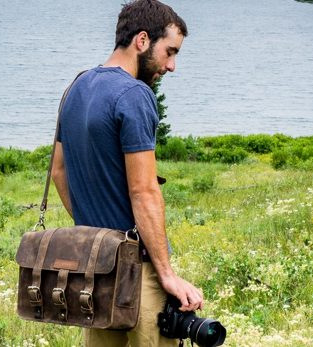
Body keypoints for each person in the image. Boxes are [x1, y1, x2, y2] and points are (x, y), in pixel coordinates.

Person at [51, 0, 204, 346]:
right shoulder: (135, 94)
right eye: (169, 52)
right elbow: (143, 190)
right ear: (142, 40)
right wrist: (166, 275)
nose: (172, 66)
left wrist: (97, 236)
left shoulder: (75, 88)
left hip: (96, 271)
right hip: (137, 271)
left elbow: (59, 173)